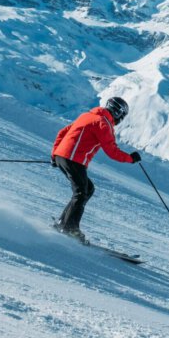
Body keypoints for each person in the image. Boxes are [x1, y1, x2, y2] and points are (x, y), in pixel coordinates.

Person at [51, 96, 141, 242]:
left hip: (64, 157)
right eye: (122, 116)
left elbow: (62, 132)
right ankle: (70, 228)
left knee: (88, 189)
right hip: (73, 159)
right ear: (119, 113)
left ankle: (64, 223)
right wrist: (131, 159)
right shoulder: (103, 124)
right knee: (81, 192)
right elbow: (112, 151)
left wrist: (55, 155)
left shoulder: (87, 115)